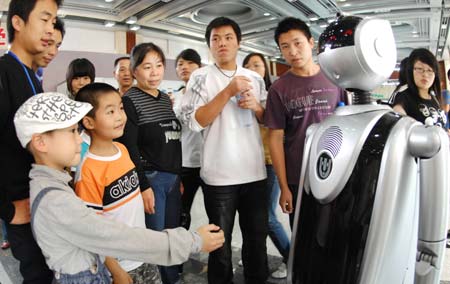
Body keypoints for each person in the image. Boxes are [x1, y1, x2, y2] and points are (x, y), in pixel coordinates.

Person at [13, 92, 225, 284]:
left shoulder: (52, 185)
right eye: (71, 132)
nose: (80, 139)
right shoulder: (56, 201)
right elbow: (114, 236)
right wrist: (192, 242)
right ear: (40, 143)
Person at [181, 17, 268, 284]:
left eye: (228, 37)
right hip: (219, 177)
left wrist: (256, 107)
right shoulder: (200, 77)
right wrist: (228, 91)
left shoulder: (255, 78)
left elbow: (267, 120)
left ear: (238, 42)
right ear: (209, 45)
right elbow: (195, 122)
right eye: (215, 39)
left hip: (254, 173)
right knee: (220, 244)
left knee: (256, 242)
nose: (222, 43)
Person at [74, 82, 164, 283]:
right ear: (89, 122)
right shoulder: (88, 171)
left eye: (121, 108)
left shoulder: (122, 151)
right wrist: (116, 271)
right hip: (121, 265)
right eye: (110, 111)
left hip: (143, 252)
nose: (120, 116)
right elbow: (91, 231)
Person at [265, 17, 346, 228]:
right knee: (303, 237)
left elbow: (350, 121)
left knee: (333, 235)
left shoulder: (335, 78)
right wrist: (283, 187)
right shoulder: (279, 89)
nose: (292, 51)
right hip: (298, 177)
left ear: (311, 43)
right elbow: (275, 138)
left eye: (297, 43)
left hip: (335, 170)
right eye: (285, 46)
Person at [0, 0, 61, 282]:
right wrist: (7, 209)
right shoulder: (4, 72)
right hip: (20, 207)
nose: (50, 30)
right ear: (18, 22)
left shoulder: (31, 78)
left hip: (41, 202)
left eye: (53, 22)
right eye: (45, 19)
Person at [117, 42, 183, 284]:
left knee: (173, 234)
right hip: (152, 180)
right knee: (155, 240)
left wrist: (179, 176)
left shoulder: (165, 98)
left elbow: (173, 140)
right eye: (147, 67)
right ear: (134, 71)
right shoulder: (130, 100)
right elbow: (129, 147)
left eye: (159, 66)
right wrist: (143, 186)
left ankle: (172, 278)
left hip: (173, 179)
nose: (154, 72)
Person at [242, 52, 290, 279]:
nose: (252, 68)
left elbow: (274, 126)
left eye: (257, 64)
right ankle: (255, 255)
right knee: (253, 215)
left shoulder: (273, 94)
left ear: (265, 70)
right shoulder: (240, 96)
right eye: (248, 65)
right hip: (249, 164)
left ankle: (292, 258)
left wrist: (256, 107)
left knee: (268, 217)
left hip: (270, 162)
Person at [174, 48, 204, 230]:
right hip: (184, 163)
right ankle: (182, 249)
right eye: (180, 64)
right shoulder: (174, 98)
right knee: (182, 211)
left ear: (199, 67)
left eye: (190, 63)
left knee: (216, 210)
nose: (184, 67)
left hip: (208, 162)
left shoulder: (208, 94)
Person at [392, 48, 447, 129]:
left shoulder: (434, 97)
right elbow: (399, 124)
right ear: (411, 71)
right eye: (420, 69)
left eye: (429, 70)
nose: (425, 74)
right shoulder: (404, 97)